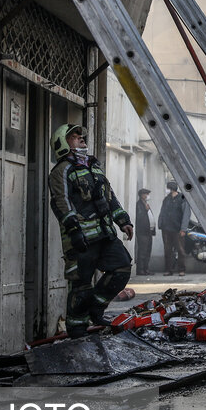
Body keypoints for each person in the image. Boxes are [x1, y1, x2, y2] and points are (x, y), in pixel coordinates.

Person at [48, 124, 133, 338]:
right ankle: (77, 331)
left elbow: (109, 195)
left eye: (81, 136)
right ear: (62, 144)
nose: (81, 139)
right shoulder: (61, 170)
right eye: (75, 137)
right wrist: (74, 230)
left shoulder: (94, 166)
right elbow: (61, 202)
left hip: (105, 234)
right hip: (81, 239)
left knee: (122, 266)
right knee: (81, 286)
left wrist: (122, 220)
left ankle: (95, 308)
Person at [158, 181, 190, 276]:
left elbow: (186, 214)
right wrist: (161, 224)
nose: (166, 190)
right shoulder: (166, 199)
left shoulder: (182, 198)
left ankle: (181, 270)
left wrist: (183, 229)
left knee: (180, 250)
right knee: (167, 250)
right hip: (166, 229)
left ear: (171, 189)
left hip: (178, 229)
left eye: (167, 188)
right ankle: (168, 270)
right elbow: (162, 212)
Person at [134, 188, 154, 276]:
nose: (147, 196)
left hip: (149, 232)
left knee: (147, 252)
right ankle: (140, 270)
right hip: (142, 232)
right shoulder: (139, 205)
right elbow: (140, 218)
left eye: (147, 194)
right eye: (145, 194)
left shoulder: (146, 204)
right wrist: (145, 210)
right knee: (142, 251)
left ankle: (146, 269)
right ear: (141, 195)